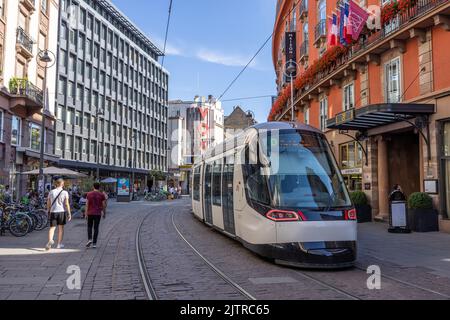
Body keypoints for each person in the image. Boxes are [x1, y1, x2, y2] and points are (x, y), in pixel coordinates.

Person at [46, 177, 71, 250]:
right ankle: (59, 244)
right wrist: (69, 213)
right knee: (61, 228)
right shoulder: (65, 192)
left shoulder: (51, 192)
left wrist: (48, 210)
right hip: (61, 212)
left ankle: (50, 240)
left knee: (52, 228)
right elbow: (66, 204)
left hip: (53, 211)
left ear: (56, 184)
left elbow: (48, 202)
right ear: (62, 184)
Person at [85, 183, 106, 249]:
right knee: (96, 228)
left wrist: (86, 214)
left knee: (89, 226)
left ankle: (89, 239)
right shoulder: (101, 195)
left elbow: (87, 204)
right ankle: (94, 243)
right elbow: (103, 205)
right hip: (97, 213)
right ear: (99, 187)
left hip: (90, 213)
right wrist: (104, 213)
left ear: (93, 187)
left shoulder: (89, 194)